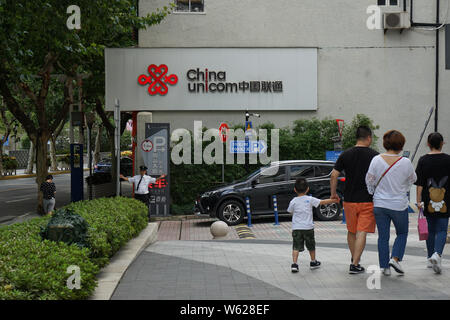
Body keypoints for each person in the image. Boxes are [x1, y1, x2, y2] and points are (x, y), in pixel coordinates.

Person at [366, 130, 416, 276]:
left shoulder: (376, 159)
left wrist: (373, 192)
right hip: (398, 204)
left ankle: (384, 267)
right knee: (402, 232)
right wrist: (403, 186)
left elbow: (369, 180)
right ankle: (394, 258)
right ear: (401, 145)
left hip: (380, 204)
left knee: (383, 236)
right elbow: (413, 179)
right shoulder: (405, 162)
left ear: (385, 143)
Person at [330, 126, 378, 274]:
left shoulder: (346, 154)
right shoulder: (375, 156)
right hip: (367, 200)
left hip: (349, 200)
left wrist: (333, 194)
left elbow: (333, 175)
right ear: (368, 138)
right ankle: (355, 263)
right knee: (362, 231)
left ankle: (354, 260)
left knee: (351, 231)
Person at [415, 132, 450, 274]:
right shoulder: (449, 160)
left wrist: (418, 201)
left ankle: (430, 257)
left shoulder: (423, 160)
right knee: (442, 230)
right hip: (446, 201)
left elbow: (420, 183)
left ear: (428, 144)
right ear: (442, 143)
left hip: (427, 201)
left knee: (429, 230)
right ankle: (437, 255)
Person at [288, 177, 339, 273]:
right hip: (308, 228)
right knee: (311, 245)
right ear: (307, 189)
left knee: (296, 246)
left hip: (297, 228)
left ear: (295, 189)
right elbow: (322, 202)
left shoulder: (293, 201)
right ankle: (313, 261)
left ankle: (294, 264)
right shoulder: (310, 199)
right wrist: (333, 200)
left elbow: (290, 211)